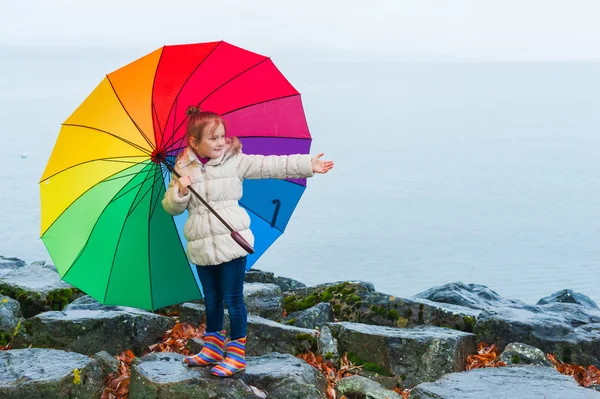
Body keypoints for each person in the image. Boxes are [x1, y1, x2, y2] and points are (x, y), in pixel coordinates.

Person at [161, 106, 334, 377]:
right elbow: (171, 208)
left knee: (233, 298)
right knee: (212, 299)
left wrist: (306, 164)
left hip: (231, 240)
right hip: (202, 245)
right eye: (213, 138)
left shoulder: (235, 160)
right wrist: (180, 191)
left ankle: (236, 354)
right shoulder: (181, 168)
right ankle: (213, 347)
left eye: (222, 136)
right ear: (194, 142)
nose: (220, 142)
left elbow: (269, 165)